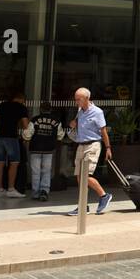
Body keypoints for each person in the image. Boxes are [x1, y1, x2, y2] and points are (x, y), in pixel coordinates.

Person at [68, 87, 113, 216]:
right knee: (78, 176)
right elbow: (77, 124)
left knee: (85, 176)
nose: (77, 102)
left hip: (93, 145)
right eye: (75, 99)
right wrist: (73, 124)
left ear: (87, 98)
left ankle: (104, 195)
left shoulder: (97, 112)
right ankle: (83, 205)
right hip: (81, 145)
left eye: (79, 99)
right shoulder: (80, 111)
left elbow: (103, 131)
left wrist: (108, 148)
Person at [0, 92, 29, 198]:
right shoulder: (21, 107)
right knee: (14, 162)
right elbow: (26, 125)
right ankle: (11, 188)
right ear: (21, 99)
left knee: (0, 163)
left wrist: (2, 129)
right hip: (11, 137)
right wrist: (26, 137)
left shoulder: (2, 105)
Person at [26, 108, 65, 201]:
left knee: (35, 172)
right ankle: (44, 191)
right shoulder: (56, 120)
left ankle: (35, 193)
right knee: (46, 171)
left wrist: (25, 139)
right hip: (49, 149)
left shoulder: (35, 119)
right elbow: (60, 135)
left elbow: (28, 134)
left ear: (40, 109)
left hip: (35, 149)